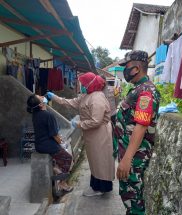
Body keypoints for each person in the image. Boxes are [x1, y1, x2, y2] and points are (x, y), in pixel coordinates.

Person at [47, 72, 115, 197]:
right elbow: (69, 102)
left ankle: (102, 188)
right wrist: (54, 97)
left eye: (83, 84)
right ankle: (96, 185)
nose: (81, 86)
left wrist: (79, 124)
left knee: (101, 161)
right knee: (95, 161)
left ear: (90, 84)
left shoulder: (97, 98)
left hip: (100, 134)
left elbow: (96, 121)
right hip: (92, 134)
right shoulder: (86, 95)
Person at [113, 50, 160, 214]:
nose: (124, 70)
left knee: (133, 198)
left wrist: (127, 159)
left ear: (136, 68)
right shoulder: (138, 88)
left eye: (126, 66)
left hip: (134, 157)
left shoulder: (146, 92)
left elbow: (141, 126)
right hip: (130, 153)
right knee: (128, 195)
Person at [27, 94, 73, 192]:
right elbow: (54, 135)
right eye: (40, 97)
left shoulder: (35, 115)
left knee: (59, 156)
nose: (42, 96)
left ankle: (57, 170)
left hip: (39, 145)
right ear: (40, 104)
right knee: (68, 158)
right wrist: (61, 142)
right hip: (48, 146)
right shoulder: (48, 115)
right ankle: (62, 183)